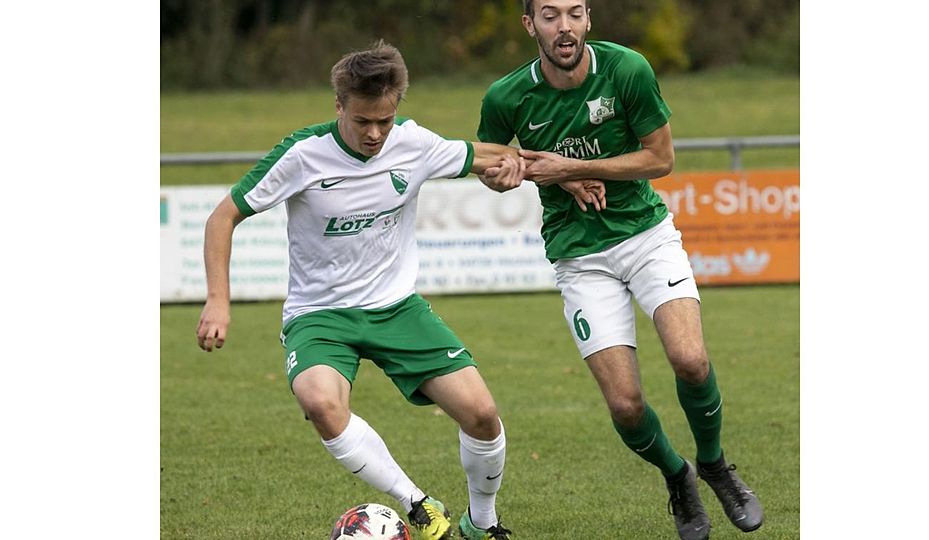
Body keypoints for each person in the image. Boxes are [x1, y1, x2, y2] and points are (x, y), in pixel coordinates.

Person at [195, 41, 526, 540]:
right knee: (321, 402)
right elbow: (224, 216)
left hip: (396, 308)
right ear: (339, 107)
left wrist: (564, 177)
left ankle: (482, 522)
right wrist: (218, 299)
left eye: (385, 122)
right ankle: (416, 503)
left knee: (482, 415)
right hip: (321, 314)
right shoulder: (303, 154)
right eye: (362, 121)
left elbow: (496, 158)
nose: (374, 134)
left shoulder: (414, 144)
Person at [475, 2, 764, 539]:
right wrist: (523, 176)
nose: (564, 26)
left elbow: (660, 159)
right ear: (529, 25)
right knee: (627, 407)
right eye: (550, 15)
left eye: (575, 13)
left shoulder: (627, 69)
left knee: (691, 361)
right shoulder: (506, 96)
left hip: (646, 236)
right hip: (579, 257)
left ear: (589, 20)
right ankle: (678, 477)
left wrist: (572, 167)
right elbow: (491, 164)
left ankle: (715, 464)